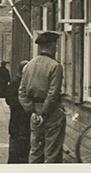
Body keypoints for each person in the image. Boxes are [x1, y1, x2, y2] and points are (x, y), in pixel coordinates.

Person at [19, 32, 66, 163]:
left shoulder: (28, 65)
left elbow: (22, 93)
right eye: (55, 44)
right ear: (52, 45)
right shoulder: (55, 66)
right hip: (52, 113)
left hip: (34, 112)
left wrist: (32, 112)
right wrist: (44, 115)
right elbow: (52, 94)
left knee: (35, 151)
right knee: (52, 153)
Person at [6, 60, 31, 163]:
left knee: (17, 146)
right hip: (21, 119)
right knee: (21, 146)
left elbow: (8, 99)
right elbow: (9, 99)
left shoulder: (15, 82)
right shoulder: (20, 83)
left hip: (17, 120)